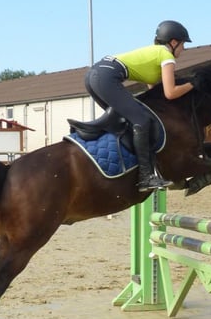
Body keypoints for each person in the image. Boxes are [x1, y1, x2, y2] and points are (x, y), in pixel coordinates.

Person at [84, 20, 195, 192]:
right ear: (173, 42)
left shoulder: (155, 54)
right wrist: (193, 84)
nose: (184, 49)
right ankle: (146, 177)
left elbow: (157, 92)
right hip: (106, 77)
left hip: (94, 75)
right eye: (183, 44)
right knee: (141, 120)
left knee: (127, 120)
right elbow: (170, 93)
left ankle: (129, 166)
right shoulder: (166, 56)